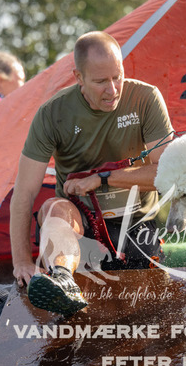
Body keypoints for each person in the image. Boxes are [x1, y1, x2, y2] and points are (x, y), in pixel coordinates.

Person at [10, 31, 174, 316]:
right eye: (100, 82)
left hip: (137, 224)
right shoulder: (52, 114)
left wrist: (102, 179)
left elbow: (169, 175)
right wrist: (22, 261)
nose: (112, 90)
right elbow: (24, 192)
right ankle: (62, 279)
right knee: (53, 207)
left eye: (117, 77)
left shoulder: (146, 98)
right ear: (79, 78)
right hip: (80, 226)